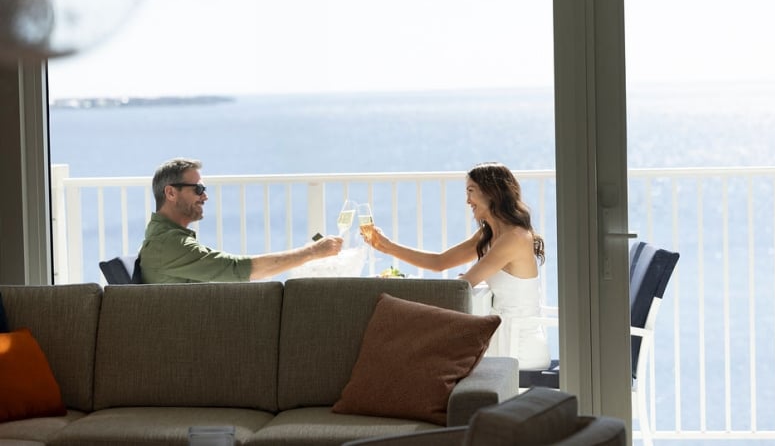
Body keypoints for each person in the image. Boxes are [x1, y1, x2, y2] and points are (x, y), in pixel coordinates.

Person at [362, 161, 550, 370]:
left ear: (491, 192)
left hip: (520, 347)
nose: (468, 200)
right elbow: (440, 262)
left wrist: (408, 294)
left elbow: (465, 284)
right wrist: (388, 247)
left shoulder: (514, 238)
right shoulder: (488, 234)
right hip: (500, 338)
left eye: (471, 191)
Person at [139, 158, 343, 283]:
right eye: (198, 189)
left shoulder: (166, 239)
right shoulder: (170, 244)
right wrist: (313, 252)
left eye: (205, 189)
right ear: (171, 193)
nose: (205, 196)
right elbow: (238, 269)